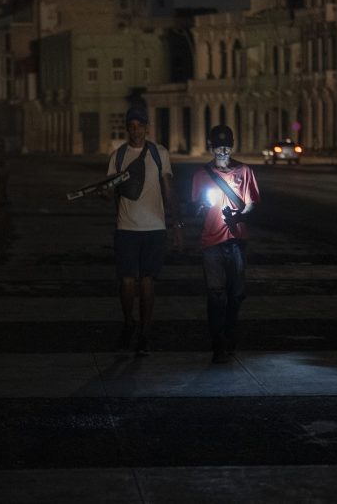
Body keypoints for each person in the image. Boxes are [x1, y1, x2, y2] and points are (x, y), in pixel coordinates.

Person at [106, 106, 181, 354]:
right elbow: (112, 191)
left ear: (147, 127)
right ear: (128, 128)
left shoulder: (159, 154)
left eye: (140, 125)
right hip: (126, 228)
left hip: (155, 228)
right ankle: (129, 323)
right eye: (132, 126)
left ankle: (145, 332)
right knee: (127, 282)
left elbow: (168, 188)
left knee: (148, 282)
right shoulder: (117, 156)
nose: (136, 130)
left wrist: (176, 223)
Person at [190, 125, 260, 364]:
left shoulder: (244, 171)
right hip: (212, 241)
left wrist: (240, 216)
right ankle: (218, 344)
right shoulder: (201, 175)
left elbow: (251, 203)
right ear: (211, 147)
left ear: (232, 146)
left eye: (227, 146)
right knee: (216, 295)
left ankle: (230, 335)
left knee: (236, 294)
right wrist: (199, 208)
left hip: (237, 241)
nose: (223, 150)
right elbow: (196, 207)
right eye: (218, 146)